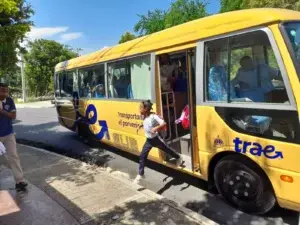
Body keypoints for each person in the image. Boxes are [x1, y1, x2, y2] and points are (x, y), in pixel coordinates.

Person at [134, 100, 183, 184]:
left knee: (167, 150)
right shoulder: (144, 116)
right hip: (148, 141)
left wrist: (156, 128)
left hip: (156, 139)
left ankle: (178, 157)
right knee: (142, 156)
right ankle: (141, 174)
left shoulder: (154, 116)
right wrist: (142, 125)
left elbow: (164, 123)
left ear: (146, 109)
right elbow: (147, 124)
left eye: (141, 108)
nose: (139, 109)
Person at [0, 82, 28, 192]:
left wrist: (2, 111)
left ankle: (19, 181)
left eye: (6, 90)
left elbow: (13, 115)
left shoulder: (10, 101)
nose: (5, 92)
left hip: (8, 134)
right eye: (2, 90)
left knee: (13, 156)